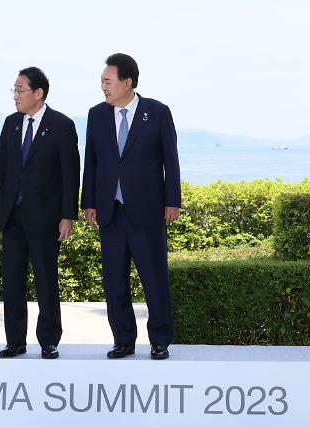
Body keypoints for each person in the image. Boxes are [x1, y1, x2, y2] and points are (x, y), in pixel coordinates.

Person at [81, 53, 181, 360]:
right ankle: (123, 340)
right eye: (101, 81)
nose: (103, 87)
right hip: (110, 210)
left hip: (148, 210)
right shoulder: (96, 114)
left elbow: (170, 160)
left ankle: (160, 339)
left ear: (127, 82)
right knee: (114, 281)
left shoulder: (157, 112)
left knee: (154, 277)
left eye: (107, 81)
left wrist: (172, 200)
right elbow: (92, 162)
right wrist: (89, 203)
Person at [0, 67, 80, 359]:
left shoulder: (62, 125)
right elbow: (0, 169)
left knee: (45, 280)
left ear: (38, 93)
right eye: (13, 90)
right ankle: (15, 341)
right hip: (12, 217)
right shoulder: (11, 123)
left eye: (20, 90)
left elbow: (70, 175)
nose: (15, 96)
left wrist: (68, 216)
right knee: (12, 280)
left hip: (46, 218)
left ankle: (49, 340)